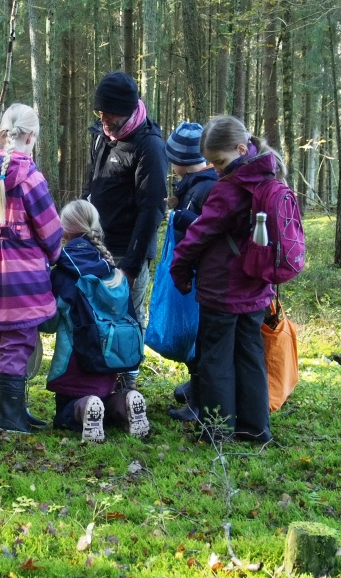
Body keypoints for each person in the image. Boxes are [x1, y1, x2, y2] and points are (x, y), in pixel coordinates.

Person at [169, 115, 283, 443]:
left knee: (215, 358)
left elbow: (199, 234)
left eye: (219, 161)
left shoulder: (230, 188)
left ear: (241, 148)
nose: (216, 169)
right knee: (249, 357)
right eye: (212, 162)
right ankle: (255, 428)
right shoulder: (268, 175)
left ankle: (217, 431)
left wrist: (179, 268)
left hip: (223, 287)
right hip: (257, 287)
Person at [0, 103, 63, 434]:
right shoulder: (30, 178)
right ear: (32, 136)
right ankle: (9, 417)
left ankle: (18, 412)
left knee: (5, 340)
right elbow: (50, 230)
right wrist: (54, 256)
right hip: (23, 275)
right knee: (18, 342)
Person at [83, 71, 168, 391]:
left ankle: (126, 382)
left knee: (129, 317)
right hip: (96, 246)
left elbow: (151, 210)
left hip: (127, 251)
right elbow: (89, 187)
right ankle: (100, 377)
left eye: (109, 113)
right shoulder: (101, 136)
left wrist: (132, 264)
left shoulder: (149, 145)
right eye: (99, 112)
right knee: (97, 314)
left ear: (129, 110)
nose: (103, 118)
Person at [42, 200, 150, 443]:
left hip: (72, 366)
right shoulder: (113, 272)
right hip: (110, 364)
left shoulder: (63, 272)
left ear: (65, 231)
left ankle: (83, 407)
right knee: (103, 404)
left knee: (64, 416)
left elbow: (48, 324)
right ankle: (124, 403)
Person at [163, 121, 218, 423]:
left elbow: (205, 229)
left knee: (198, 335)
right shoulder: (195, 185)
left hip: (200, 275)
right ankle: (194, 385)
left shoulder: (203, 188)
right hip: (196, 273)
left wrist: (183, 217)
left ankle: (198, 401)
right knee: (193, 333)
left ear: (181, 161)